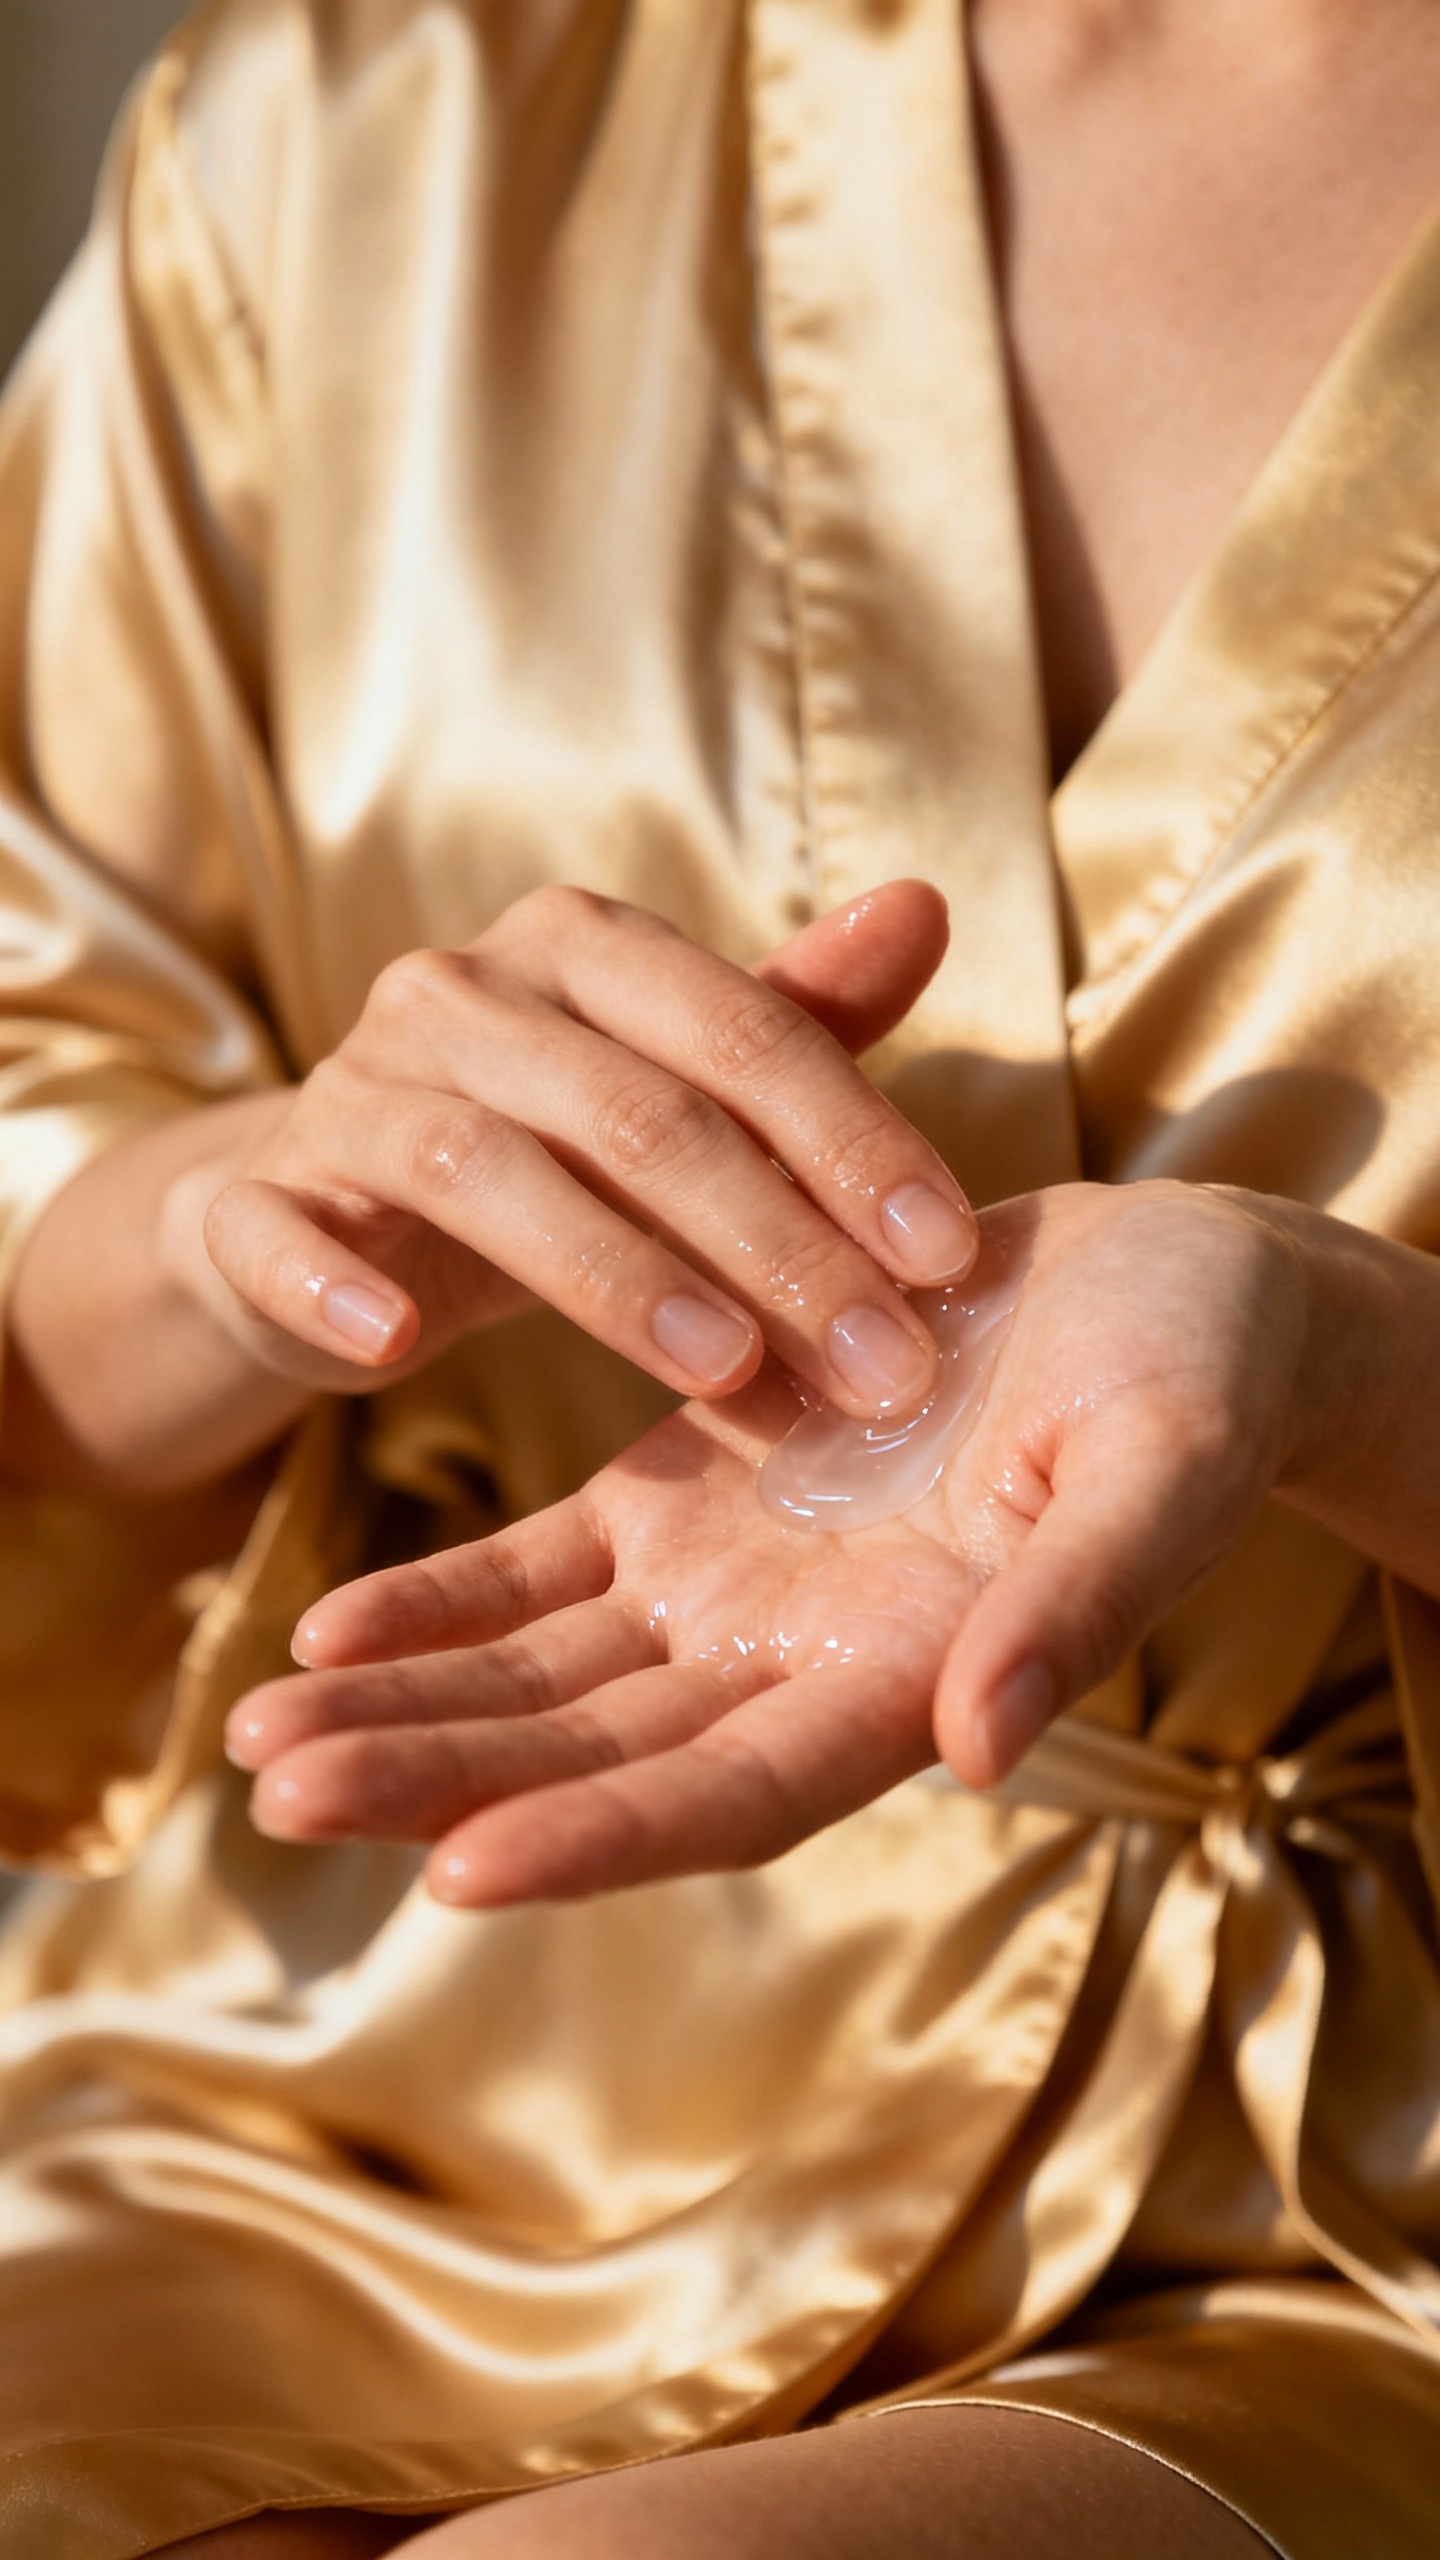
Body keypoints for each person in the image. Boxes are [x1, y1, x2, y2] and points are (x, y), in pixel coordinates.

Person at [3, 0, 1440, 2551]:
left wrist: (1342, 1367)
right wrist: (251, 1228)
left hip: (1336, 2210)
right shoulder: (375, 118)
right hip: (325, 2078)